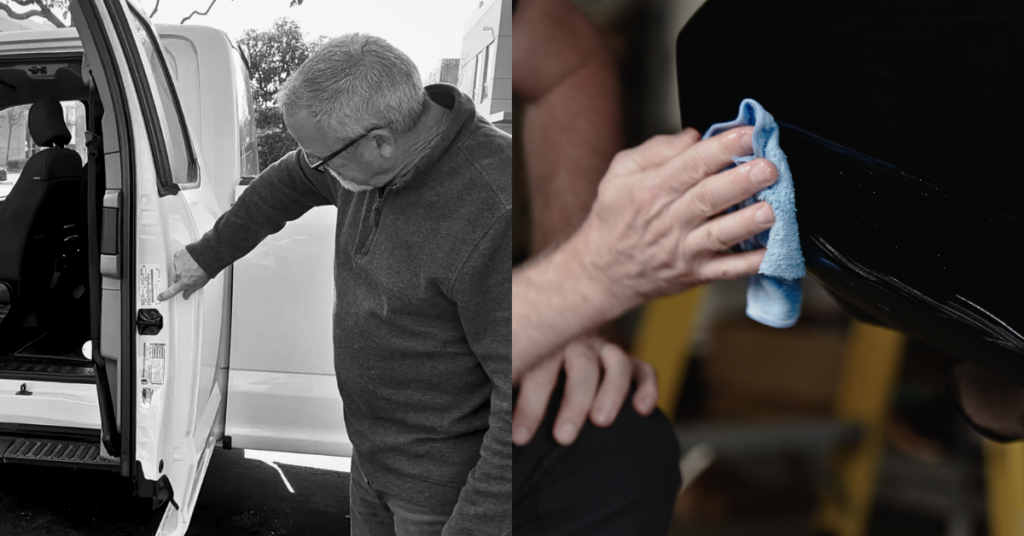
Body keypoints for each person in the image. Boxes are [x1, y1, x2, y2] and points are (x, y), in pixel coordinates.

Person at [158, 34, 510, 535]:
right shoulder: (371, 158)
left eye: (322, 158)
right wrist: (207, 254)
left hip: (445, 497)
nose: (317, 168)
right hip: (372, 464)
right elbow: (289, 180)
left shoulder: (499, 208)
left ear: (380, 142)